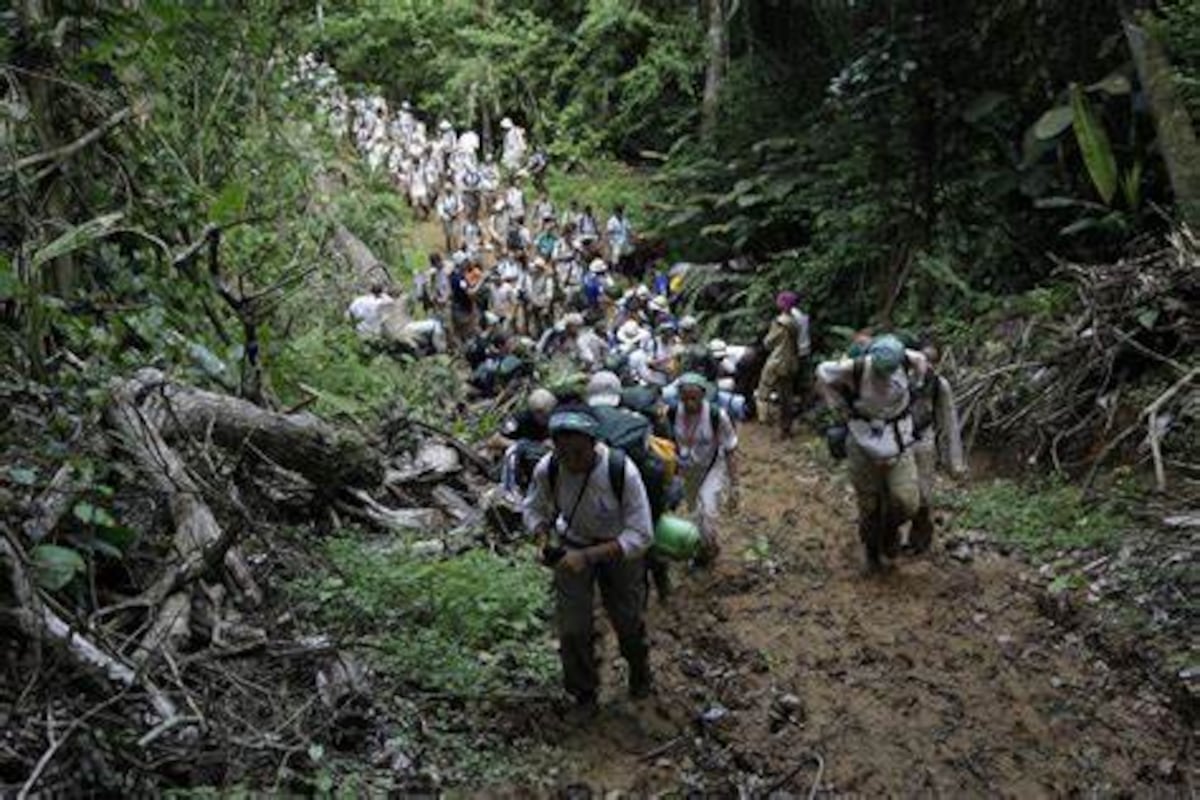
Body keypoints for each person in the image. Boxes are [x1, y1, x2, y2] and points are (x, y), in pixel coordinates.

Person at [523, 407, 654, 712]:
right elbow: (534, 508)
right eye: (563, 453)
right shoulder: (549, 468)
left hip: (619, 552)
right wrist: (541, 538)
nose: (571, 461)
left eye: (578, 453)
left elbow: (641, 534)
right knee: (571, 627)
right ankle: (583, 692)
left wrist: (589, 556)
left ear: (593, 444)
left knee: (627, 619)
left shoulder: (622, 471)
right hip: (571, 546)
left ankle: (639, 670)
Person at [816, 334, 929, 571]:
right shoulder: (855, 368)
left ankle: (889, 529)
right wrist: (839, 406)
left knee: (907, 500)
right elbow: (822, 373)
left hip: (899, 438)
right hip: (862, 439)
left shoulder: (908, 360)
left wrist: (917, 386)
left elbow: (922, 363)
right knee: (868, 503)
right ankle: (872, 551)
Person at [670, 373, 739, 563]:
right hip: (687, 470)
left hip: (712, 468)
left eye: (694, 398)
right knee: (695, 513)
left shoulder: (717, 416)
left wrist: (735, 486)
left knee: (707, 512)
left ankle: (707, 550)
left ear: (703, 396)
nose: (690, 403)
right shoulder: (673, 412)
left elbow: (730, 448)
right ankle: (707, 549)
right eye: (685, 399)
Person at [908, 339, 966, 553]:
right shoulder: (900, 379)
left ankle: (920, 542)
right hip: (897, 443)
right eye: (925, 358)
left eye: (933, 359)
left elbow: (949, 422)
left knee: (924, 495)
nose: (928, 364)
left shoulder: (939, 385)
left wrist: (955, 462)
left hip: (924, 442)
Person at [755, 291, 802, 439]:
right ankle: (786, 428)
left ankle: (766, 422)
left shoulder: (780, 322)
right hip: (791, 362)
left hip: (777, 361)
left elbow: (769, 342)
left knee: (764, 392)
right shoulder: (796, 321)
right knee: (786, 396)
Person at [605, 205, 633, 270]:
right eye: (618, 212)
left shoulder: (625, 220)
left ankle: (628, 267)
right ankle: (614, 268)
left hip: (625, 240)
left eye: (621, 212)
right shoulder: (611, 221)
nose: (620, 213)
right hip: (615, 241)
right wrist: (614, 235)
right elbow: (609, 231)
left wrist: (632, 236)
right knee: (616, 253)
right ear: (615, 212)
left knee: (631, 252)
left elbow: (629, 229)